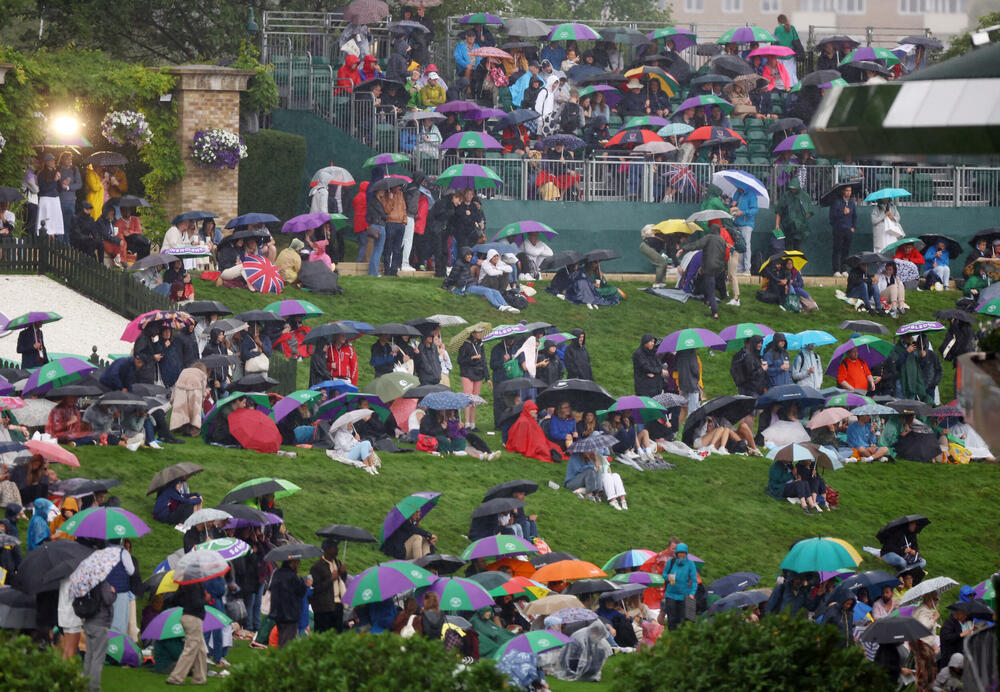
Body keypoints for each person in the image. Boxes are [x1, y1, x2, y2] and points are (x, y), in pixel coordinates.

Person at [678, 228, 728, 319]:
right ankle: (707, 300)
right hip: (719, 268)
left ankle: (715, 313)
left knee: (711, 290)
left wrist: (683, 249)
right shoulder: (722, 241)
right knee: (706, 282)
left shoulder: (709, 237)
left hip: (709, 268)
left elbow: (697, 245)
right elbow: (723, 255)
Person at [166, 578, 208, 685]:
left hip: (187, 616)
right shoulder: (195, 583)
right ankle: (176, 677)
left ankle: (199, 678)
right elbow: (197, 602)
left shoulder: (186, 582)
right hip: (194, 618)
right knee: (191, 648)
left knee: (200, 649)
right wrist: (205, 598)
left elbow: (175, 599)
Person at [309, 539, 347, 634]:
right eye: (334, 547)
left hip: (338, 605)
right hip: (323, 608)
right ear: (327, 549)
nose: (337, 550)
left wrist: (343, 573)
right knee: (323, 634)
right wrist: (331, 579)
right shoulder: (317, 566)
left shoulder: (338, 563)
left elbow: (342, 580)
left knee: (337, 634)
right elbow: (316, 588)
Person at [268, 559, 306, 648]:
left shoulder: (277, 573)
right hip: (290, 613)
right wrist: (300, 579)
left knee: (282, 637)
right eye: (297, 561)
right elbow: (301, 592)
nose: (299, 563)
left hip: (278, 612)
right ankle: (284, 660)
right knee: (288, 640)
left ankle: (281, 658)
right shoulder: (293, 576)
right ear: (292, 562)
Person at [457, 326, 488, 430]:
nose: (480, 334)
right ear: (473, 333)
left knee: (475, 400)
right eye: (478, 332)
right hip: (467, 373)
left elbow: (484, 361)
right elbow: (460, 360)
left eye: (481, 332)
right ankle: (467, 424)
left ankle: (473, 424)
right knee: (468, 399)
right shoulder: (465, 344)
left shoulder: (480, 344)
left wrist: (487, 377)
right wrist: (471, 358)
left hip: (478, 373)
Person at [661, 543, 697, 630]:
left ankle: (680, 638)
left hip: (684, 595)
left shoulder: (690, 564)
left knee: (682, 620)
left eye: (683, 553)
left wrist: (692, 593)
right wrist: (669, 577)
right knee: (671, 619)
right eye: (679, 553)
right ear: (676, 553)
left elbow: (694, 581)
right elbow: (664, 574)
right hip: (671, 595)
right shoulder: (671, 562)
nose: (681, 555)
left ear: (686, 553)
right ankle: (671, 638)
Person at [730, 184, 758, 275]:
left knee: (746, 245)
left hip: (747, 224)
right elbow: (733, 203)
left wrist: (743, 212)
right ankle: (739, 269)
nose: (737, 188)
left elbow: (755, 210)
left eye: (739, 187)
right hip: (736, 223)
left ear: (743, 186)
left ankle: (747, 269)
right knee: (738, 245)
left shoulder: (751, 195)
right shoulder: (737, 193)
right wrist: (733, 203)